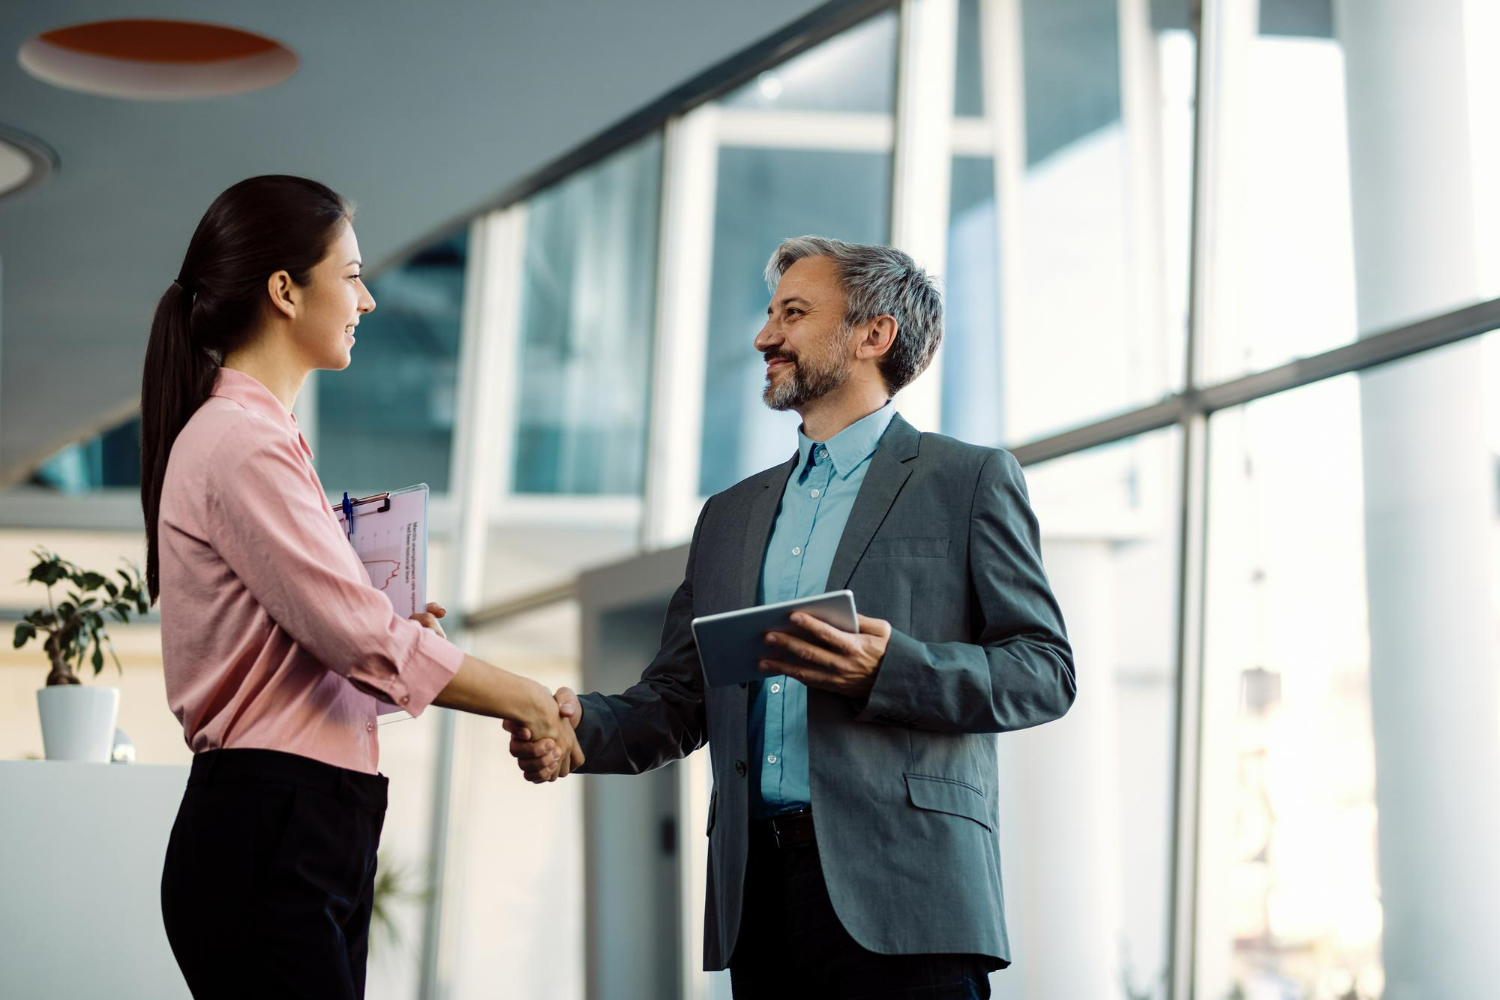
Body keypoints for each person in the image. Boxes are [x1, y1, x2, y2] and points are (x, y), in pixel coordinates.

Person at [507, 236, 1075, 999]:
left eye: (794, 313)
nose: (764, 336)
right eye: (770, 313)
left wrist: (890, 668)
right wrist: (578, 733)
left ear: (875, 335)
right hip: (761, 898)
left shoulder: (966, 480)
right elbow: (680, 696)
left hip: (910, 894)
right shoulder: (729, 516)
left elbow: (1044, 670)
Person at [141, 175, 581, 1000]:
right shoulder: (240, 442)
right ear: (283, 290)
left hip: (301, 819)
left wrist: (389, 628)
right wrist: (527, 700)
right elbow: (363, 642)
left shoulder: (259, 436)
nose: (368, 300)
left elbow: (343, 642)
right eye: (349, 274)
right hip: (273, 823)